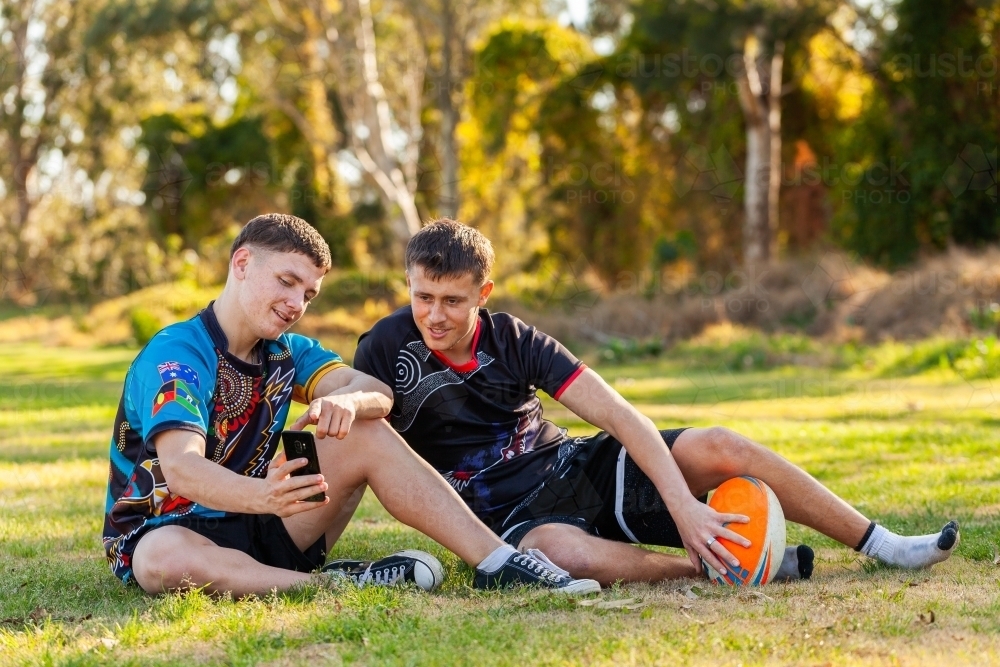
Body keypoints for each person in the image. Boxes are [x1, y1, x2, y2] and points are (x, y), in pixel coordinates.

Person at [354, 219, 960, 586]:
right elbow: (363, 422)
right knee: (557, 553)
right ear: (409, 284)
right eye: (422, 296)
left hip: (571, 469)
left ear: (482, 294)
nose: (435, 314)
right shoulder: (383, 344)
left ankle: (882, 544)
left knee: (719, 444)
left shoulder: (514, 339)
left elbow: (620, 416)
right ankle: (724, 569)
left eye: (452, 301)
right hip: (502, 521)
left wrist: (685, 509)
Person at [102, 213, 600, 597]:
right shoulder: (178, 354)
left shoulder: (289, 352)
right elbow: (183, 469)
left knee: (364, 426)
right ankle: (335, 584)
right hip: (165, 532)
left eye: (309, 293)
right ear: (242, 263)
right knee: (160, 561)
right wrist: (266, 496)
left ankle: (498, 563)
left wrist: (351, 400)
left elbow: (378, 390)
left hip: (264, 525)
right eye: (286, 281)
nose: (297, 304)